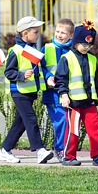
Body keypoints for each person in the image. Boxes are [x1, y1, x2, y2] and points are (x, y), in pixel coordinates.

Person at [0, 16, 53, 163]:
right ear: (25, 33)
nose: (38, 34)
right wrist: (22, 75)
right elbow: (8, 72)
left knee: (21, 123)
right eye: (36, 32)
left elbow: (39, 69)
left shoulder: (31, 50)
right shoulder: (15, 51)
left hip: (30, 92)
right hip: (19, 92)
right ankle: (40, 150)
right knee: (30, 119)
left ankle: (5, 150)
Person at [55, 21, 98, 166]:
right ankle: (68, 157)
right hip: (73, 103)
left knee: (95, 129)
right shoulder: (67, 58)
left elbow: (96, 79)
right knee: (73, 131)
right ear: (76, 41)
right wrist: (64, 95)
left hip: (89, 102)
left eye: (90, 45)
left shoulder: (93, 59)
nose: (87, 47)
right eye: (84, 44)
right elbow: (61, 80)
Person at [41, 18, 74, 162]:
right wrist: (47, 76)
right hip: (52, 94)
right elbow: (39, 68)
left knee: (70, 122)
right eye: (58, 31)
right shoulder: (47, 48)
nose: (59, 35)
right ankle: (60, 149)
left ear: (71, 36)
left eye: (63, 33)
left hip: (70, 93)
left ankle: (66, 149)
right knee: (61, 121)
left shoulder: (74, 50)